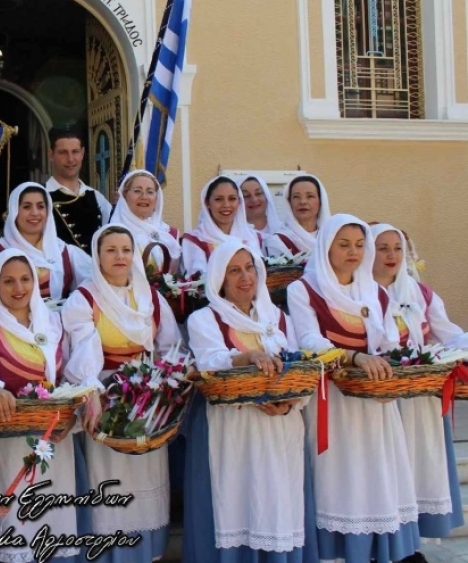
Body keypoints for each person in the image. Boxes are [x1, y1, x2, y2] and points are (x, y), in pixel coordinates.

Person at [287, 214, 420, 562]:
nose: (353, 252)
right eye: (344, 245)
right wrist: (354, 358)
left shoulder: (374, 291)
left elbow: (389, 339)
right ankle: (336, 552)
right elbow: (308, 339)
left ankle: (379, 551)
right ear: (326, 246)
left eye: (360, 245)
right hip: (333, 399)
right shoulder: (304, 289)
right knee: (339, 474)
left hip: (374, 397)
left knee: (377, 469)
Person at [185, 239, 315, 563]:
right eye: (234, 270)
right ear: (219, 278)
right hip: (232, 429)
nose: (245, 277)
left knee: (276, 502)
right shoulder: (204, 319)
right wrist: (247, 356)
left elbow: (302, 367)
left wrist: (291, 404)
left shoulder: (279, 318)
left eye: (250, 268)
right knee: (236, 500)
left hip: (280, 428)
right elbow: (210, 362)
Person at [61, 225, 182, 563]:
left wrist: (161, 388)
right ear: (97, 256)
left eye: (126, 250)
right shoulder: (83, 299)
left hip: (147, 405)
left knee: (146, 482)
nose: (119, 257)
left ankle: (150, 554)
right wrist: (94, 393)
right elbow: (83, 354)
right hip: (107, 402)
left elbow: (170, 347)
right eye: (110, 250)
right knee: (110, 482)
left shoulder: (151, 298)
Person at [0, 249, 78, 563]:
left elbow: (66, 374)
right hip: (7, 440)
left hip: (51, 438)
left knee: (51, 515)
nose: (18, 287)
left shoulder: (50, 321)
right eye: (8, 280)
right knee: (15, 520)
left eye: (25, 279)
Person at [371, 223, 466, 549]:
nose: (391, 255)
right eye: (382, 248)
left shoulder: (420, 293)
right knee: (386, 471)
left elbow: (449, 334)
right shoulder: (360, 296)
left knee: (416, 470)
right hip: (382, 399)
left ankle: (409, 546)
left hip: (420, 402)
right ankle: (383, 544)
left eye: (396, 248)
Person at [0, 182, 92, 301]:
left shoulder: (65, 252)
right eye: (27, 207)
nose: (35, 213)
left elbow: (92, 286)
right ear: (15, 212)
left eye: (40, 206)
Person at [45, 128, 112, 254]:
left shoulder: (96, 197)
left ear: (82, 153)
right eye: (63, 152)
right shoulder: (41, 196)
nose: (70, 159)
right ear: (51, 155)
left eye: (75, 152)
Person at [182, 176, 261, 277]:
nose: (226, 205)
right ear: (207, 203)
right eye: (218, 199)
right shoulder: (195, 240)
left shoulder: (253, 237)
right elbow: (197, 282)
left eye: (232, 199)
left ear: (239, 202)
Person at [110, 169, 181, 277]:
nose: (144, 197)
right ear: (124, 196)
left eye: (150, 192)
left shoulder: (170, 233)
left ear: (156, 198)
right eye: (137, 191)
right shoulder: (112, 234)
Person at [265, 175, 331, 259]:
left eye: (310, 196)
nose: (303, 202)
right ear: (289, 202)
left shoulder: (332, 237)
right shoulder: (278, 241)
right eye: (296, 197)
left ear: (321, 201)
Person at [238, 175, 282, 243]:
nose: (254, 200)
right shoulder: (234, 235)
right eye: (246, 196)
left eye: (258, 193)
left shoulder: (283, 231)